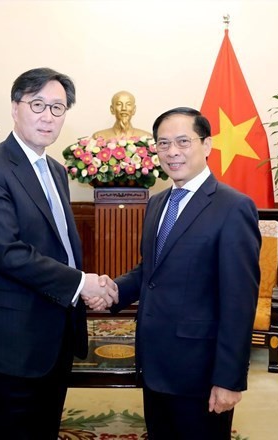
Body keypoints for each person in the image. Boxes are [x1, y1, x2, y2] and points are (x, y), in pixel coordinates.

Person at [0, 67, 118, 440]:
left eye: (57, 108)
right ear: (15, 108)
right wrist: (82, 283)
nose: (47, 117)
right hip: (12, 340)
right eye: (37, 105)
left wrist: (83, 286)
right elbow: (6, 251)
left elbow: (58, 245)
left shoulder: (55, 170)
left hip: (55, 332)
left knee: (45, 428)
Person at [107, 107, 261, 439]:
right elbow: (150, 271)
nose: (172, 152)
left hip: (200, 372)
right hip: (155, 363)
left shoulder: (233, 207)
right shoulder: (158, 203)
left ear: (206, 145)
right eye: (163, 144)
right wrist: (111, 291)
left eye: (182, 141)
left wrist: (229, 379)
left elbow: (239, 303)